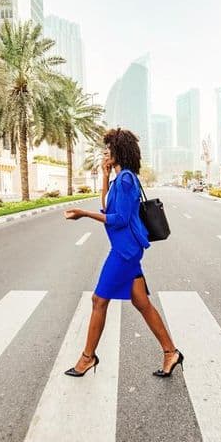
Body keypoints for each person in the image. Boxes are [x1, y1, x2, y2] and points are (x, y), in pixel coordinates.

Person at [63, 128, 183, 378]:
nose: (105, 152)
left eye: (109, 148)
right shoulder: (119, 179)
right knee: (141, 303)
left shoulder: (127, 179)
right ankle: (170, 352)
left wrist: (84, 214)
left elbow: (119, 219)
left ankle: (87, 357)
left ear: (120, 151)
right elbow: (106, 207)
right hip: (124, 248)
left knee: (99, 300)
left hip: (125, 252)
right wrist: (105, 177)